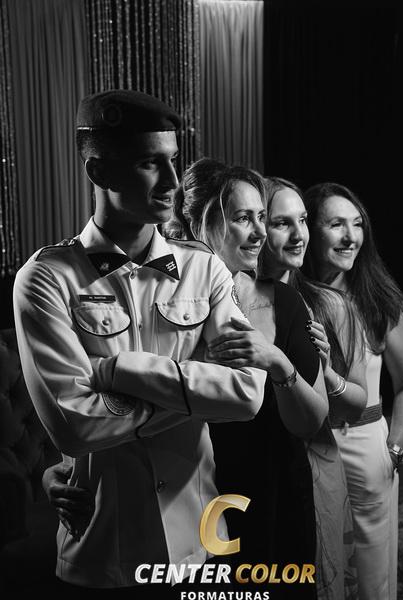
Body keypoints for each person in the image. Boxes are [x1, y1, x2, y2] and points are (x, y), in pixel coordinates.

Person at [13, 90, 266, 593]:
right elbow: (74, 426)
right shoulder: (46, 278)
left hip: (200, 542)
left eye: (173, 160)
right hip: (104, 550)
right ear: (99, 171)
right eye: (151, 163)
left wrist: (119, 372)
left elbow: (247, 393)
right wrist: (197, 393)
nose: (173, 181)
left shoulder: (205, 268)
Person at [44, 157, 328, 600]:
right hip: (189, 500)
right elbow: (84, 409)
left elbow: (310, 419)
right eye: (242, 218)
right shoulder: (153, 301)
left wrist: (278, 363)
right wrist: (64, 471)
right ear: (196, 222)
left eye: (262, 218)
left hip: (273, 493)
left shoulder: (286, 304)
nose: (258, 233)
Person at [209, 175, 367, 600]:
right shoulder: (221, 295)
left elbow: (357, 403)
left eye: (303, 220)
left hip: (312, 460)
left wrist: (324, 374)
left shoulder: (325, 303)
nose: (298, 234)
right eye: (280, 222)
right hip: (238, 480)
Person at [302, 182, 403, 600]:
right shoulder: (290, 293)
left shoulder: (379, 300)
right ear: (310, 229)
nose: (350, 236)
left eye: (357, 225)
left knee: (371, 573)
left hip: (364, 445)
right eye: (336, 224)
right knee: (317, 565)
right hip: (307, 444)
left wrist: (394, 450)